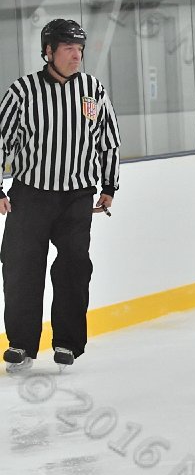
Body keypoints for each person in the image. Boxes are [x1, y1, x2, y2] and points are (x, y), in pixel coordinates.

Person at [0, 19, 121, 373]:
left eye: (80, 49)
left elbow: (108, 140)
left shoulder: (93, 91)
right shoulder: (22, 92)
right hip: (31, 196)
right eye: (68, 48)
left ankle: (68, 343)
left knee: (73, 268)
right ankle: (21, 344)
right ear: (48, 51)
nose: (76, 55)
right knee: (22, 269)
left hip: (75, 198)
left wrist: (109, 186)